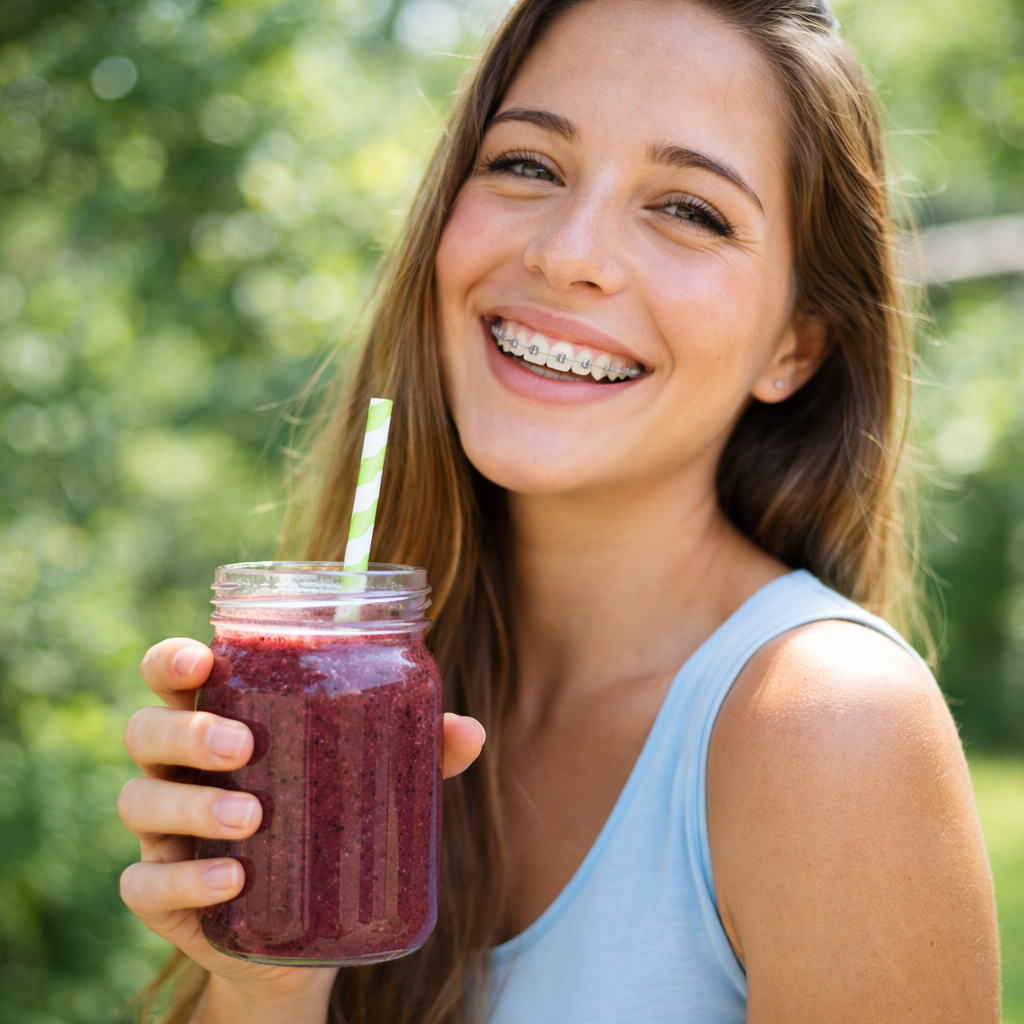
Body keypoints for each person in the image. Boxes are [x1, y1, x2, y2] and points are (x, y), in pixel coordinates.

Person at [116, 0, 1002, 1021]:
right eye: (528, 165)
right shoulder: (356, 692)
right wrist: (265, 981)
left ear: (793, 346)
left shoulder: (831, 727)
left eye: (690, 210)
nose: (569, 251)